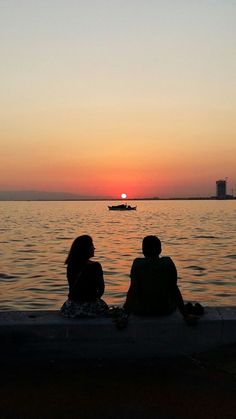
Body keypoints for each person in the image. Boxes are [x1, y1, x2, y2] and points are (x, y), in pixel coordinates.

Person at [124, 235, 186, 317]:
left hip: (142, 311)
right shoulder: (168, 263)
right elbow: (174, 289)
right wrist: (185, 314)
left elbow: (133, 290)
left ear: (143, 251)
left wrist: (125, 314)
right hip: (164, 310)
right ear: (160, 250)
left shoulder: (137, 264)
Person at [60, 235, 108, 318]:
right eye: (92, 245)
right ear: (86, 249)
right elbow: (101, 290)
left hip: (71, 308)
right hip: (89, 308)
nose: (94, 248)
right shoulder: (96, 266)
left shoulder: (71, 265)